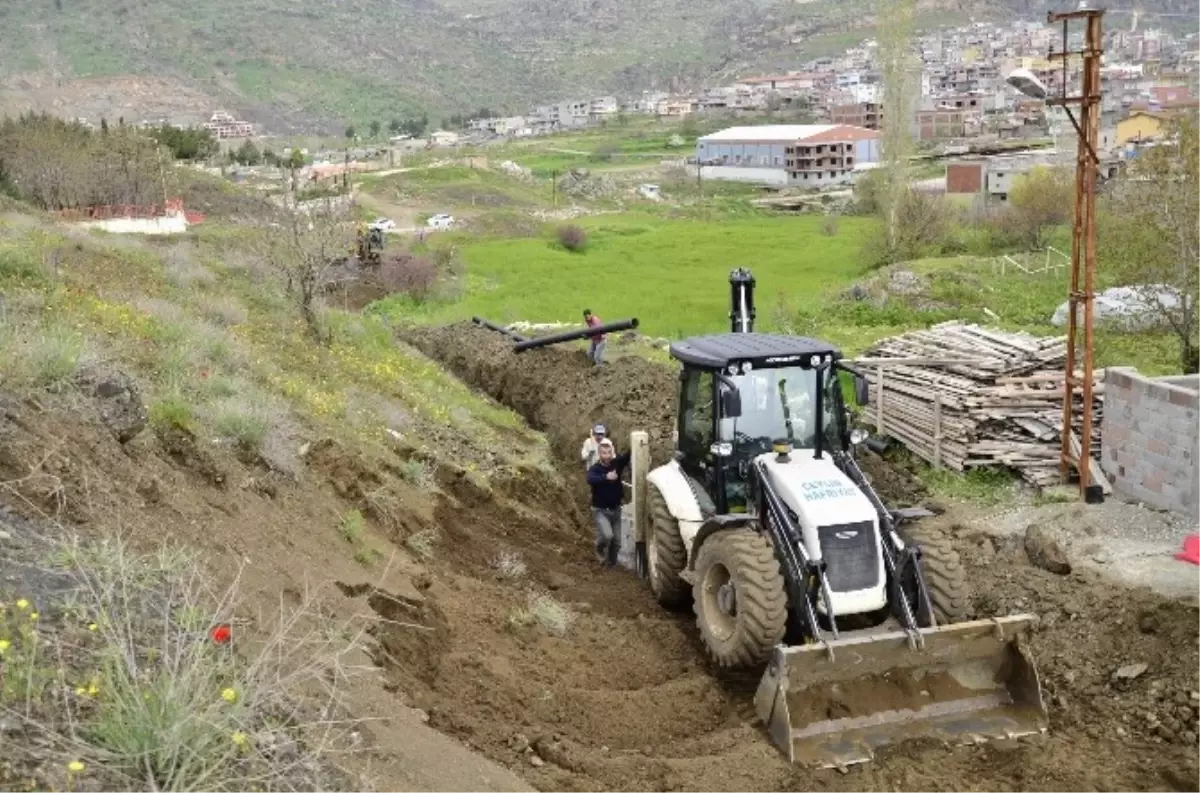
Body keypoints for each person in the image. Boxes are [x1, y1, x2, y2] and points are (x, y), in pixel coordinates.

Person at [586, 438, 630, 568]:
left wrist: (636, 442)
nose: (607, 456)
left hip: (616, 509)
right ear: (600, 454)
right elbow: (590, 479)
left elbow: (626, 457)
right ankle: (599, 549)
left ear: (613, 452)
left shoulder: (616, 464)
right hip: (600, 510)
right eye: (604, 453)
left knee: (617, 542)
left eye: (609, 452)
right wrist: (606, 477)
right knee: (607, 535)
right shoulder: (595, 468)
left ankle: (611, 564)